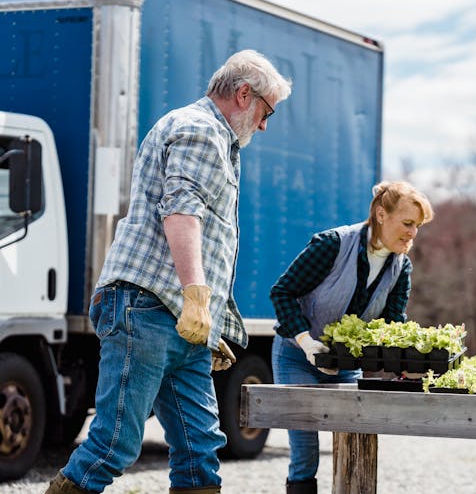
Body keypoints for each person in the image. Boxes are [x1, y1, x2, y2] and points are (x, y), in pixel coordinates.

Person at [46, 50, 292, 494]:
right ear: (243, 94)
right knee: (114, 444)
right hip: (149, 307)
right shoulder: (200, 130)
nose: (264, 124)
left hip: (182, 320)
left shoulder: (214, 137)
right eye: (266, 111)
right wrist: (196, 294)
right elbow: (182, 211)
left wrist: (206, 317)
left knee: (200, 449)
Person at [270, 181, 434, 494]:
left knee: (353, 445)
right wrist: (307, 343)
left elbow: (391, 325)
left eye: (418, 226)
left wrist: (405, 366)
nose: (413, 234)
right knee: (305, 452)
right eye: (408, 223)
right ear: (382, 215)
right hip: (296, 355)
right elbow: (282, 292)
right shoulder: (332, 244)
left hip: (345, 363)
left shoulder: (401, 267)